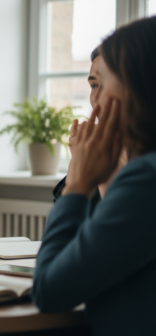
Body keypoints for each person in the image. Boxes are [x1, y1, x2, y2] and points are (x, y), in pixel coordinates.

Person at [32, 16, 156, 335]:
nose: (96, 102)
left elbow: (49, 290)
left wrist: (80, 182)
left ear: (139, 82)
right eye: (92, 85)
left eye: (105, 80)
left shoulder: (147, 177)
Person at [52, 48, 127, 211]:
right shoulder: (94, 154)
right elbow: (70, 229)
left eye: (110, 84)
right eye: (94, 85)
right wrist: (79, 163)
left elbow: (118, 227)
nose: (96, 97)